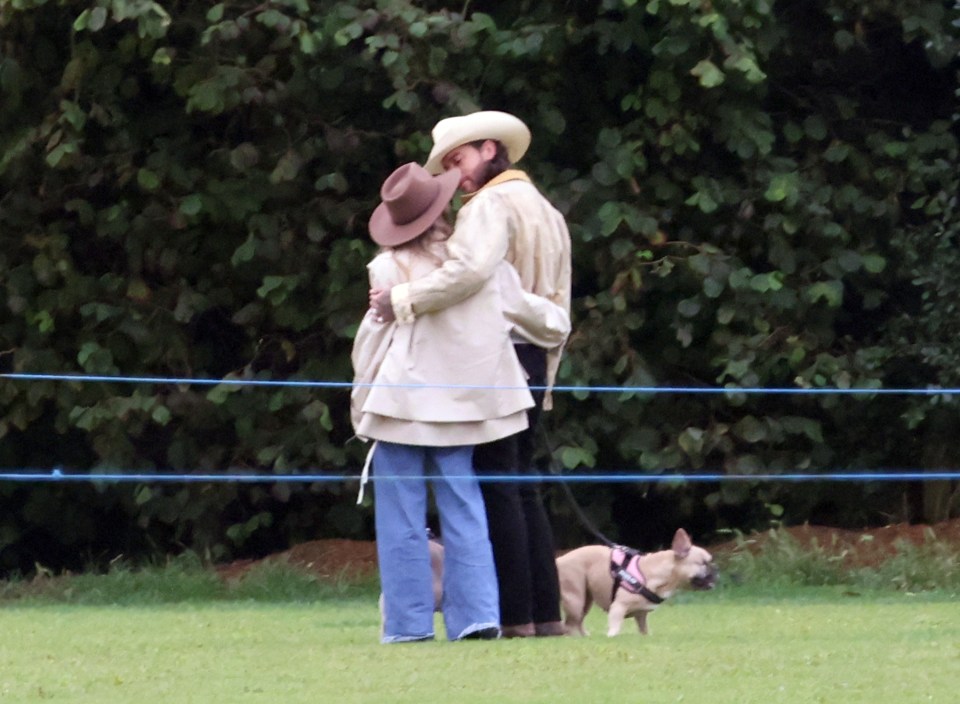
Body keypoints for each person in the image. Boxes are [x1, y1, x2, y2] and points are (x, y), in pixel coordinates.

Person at [369, 111, 573, 638]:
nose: (456, 177)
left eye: (458, 160)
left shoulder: (489, 205)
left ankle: (510, 617)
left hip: (491, 358)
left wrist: (403, 299)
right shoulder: (544, 206)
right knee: (520, 485)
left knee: (496, 488)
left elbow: (468, 276)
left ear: (488, 149)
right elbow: (553, 304)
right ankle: (543, 614)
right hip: (530, 350)